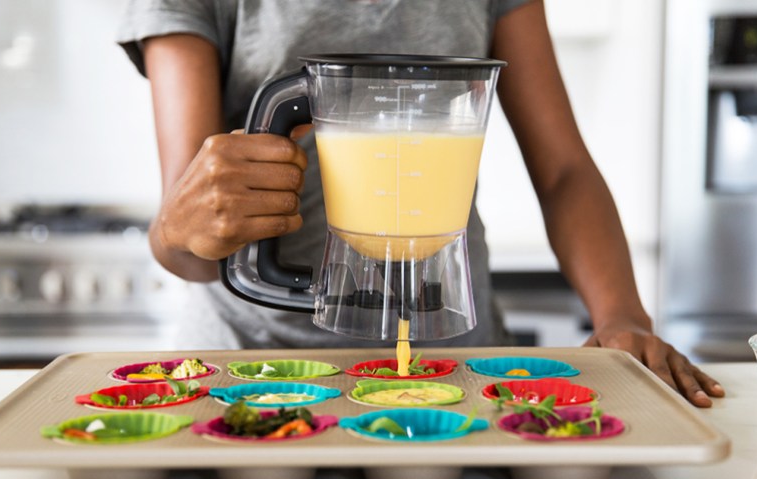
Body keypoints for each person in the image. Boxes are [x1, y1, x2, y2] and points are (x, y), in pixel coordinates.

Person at [116, 0, 724, 408]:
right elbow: (194, 233)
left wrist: (622, 315)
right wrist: (175, 229)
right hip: (254, 375)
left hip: (457, 373)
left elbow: (564, 170)